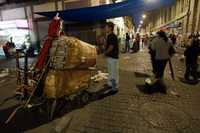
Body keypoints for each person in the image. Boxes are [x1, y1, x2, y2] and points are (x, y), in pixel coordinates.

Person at [104, 22, 119, 94]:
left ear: (110, 28)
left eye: (106, 27)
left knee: (113, 73)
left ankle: (114, 88)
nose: (105, 28)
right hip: (111, 57)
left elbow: (111, 47)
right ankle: (111, 84)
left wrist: (105, 53)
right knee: (111, 72)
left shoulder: (112, 36)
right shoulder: (110, 35)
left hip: (112, 57)